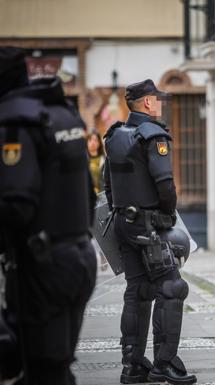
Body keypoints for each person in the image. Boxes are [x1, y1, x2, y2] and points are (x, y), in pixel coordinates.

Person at [0, 46, 97, 385]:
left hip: (44, 264)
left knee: (43, 370)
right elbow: (89, 194)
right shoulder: (63, 115)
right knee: (56, 366)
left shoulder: (18, 121)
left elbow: (15, 205)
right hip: (78, 256)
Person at [102, 79, 196, 384]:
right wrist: (167, 217)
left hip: (122, 222)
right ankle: (164, 364)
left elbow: (108, 181)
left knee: (138, 291)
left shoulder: (115, 135)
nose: (159, 103)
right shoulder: (154, 135)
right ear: (147, 103)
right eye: (156, 99)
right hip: (149, 225)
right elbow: (165, 185)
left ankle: (132, 366)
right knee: (172, 289)